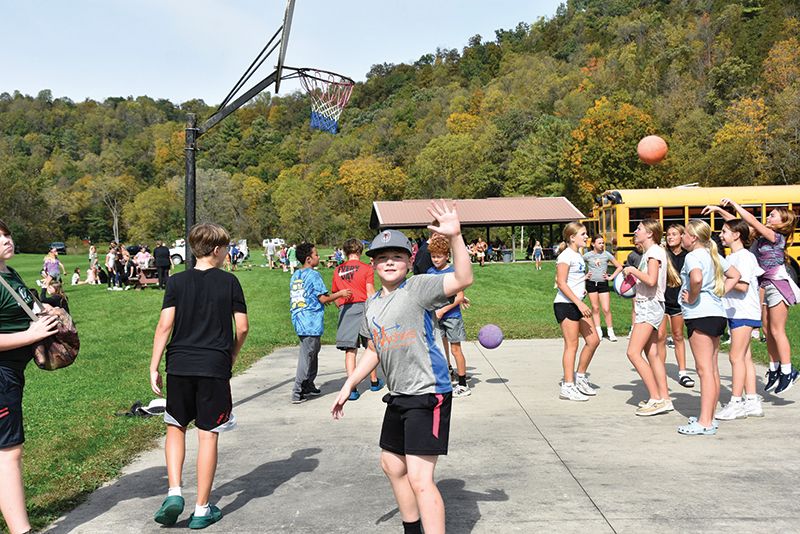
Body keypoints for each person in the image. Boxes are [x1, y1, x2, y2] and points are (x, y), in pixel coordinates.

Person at [331, 201, 473, 534]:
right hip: (400, 395)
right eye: (382, 258)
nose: (389, 262)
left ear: (409, 262)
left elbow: (464, 277)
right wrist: (350, 383)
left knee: (420, 477)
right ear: (374, 265)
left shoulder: (418, 288)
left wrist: (455, 237)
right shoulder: (373, 304)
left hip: (428, 393)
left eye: (396, 257)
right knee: (392, 464)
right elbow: (373, 348)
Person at [149, 222, 249, 529]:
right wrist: (231, 355)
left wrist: (154, 365)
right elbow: (242, 327)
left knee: (175, 427)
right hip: (213, 366)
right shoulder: (229, 282)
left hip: (179, 363)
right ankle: (202, 508)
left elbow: (165, 325)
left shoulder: (176, 283)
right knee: (208, 434)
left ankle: (174, 491)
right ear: (218, 250)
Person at [0, 219, 60, 534]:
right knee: (8, 452)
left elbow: (22, 310)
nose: (6, 241)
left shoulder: (9, 273)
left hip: (12, 374)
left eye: (7, 234)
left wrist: (49, 303)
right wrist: (30, 335)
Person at [706, 200, 799, 394]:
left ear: (783, 222)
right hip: (765, 284)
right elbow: (737, 226)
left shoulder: (776, 236)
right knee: (766, 328)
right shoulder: (761, 235)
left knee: (776, 329)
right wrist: (720, 211)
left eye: (772, 215)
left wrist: (734, 203)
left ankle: (789, 371)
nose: (768, 217)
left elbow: (749, 221)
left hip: (777, 283)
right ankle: (774, 369)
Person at [676, 219, 739, 436]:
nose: (682, 237)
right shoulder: (713, 255)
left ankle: (704, 422)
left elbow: (696, 278)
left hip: (700, 314)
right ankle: (708, 417)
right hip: (717, 314)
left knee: (703, 370)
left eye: (684, 234)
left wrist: (693, 297)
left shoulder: (693, 256)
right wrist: (719, 292)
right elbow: (735, 275)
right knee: (712, 369)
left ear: (693, 237)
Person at [622, 220, 673, 416]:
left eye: (639, 229)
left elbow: (651, 281)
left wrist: (633, 271)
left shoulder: (653, 253)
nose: (635, 231)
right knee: (652, 354)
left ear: (650, 233)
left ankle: (655, 398)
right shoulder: (652, 253)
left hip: (649, 306)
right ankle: (665, 398)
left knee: (633, 353)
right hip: (651, 305)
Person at [715, 219, 765, 420]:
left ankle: (736, 402)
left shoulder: (744, 257)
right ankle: (752, 401)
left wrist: (720, 282)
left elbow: (742, 285)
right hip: (739, 312)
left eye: (725, 231)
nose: (721, 235)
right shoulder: (734, 256)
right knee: (745, 358)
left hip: (743, 312)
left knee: (735, 357)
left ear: (737, 235)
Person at [290, 243, 351, 404]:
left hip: (299, 319)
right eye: (316, 255)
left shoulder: (296, 275)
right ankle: (298, 391)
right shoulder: (313, 275)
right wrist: (340, 294)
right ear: (309, 259)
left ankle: (309, 384)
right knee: (307, 355)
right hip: (310, 321)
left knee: (313, 352)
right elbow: (323, 298)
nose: (319, 257)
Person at [553, 222, 600, 401]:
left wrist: (582, 290)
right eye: (583, 234)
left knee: (593, 340)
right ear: (572, 237)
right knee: (571, 345)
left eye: (586, 234)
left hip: (577, 302)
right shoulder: (566, 256)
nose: (587, 237)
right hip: (566, 305)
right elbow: (561, 282)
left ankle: (580, 377)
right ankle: (568, 385)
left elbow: (573, 281)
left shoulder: (578, 255)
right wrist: (579, 303)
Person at [332, 238, 382, 401]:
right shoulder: (367, 268)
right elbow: (369, 291)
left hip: (346, 308)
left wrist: (340, 306)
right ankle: (374, 381)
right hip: (364, 306)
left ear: (345, 252)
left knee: (350, 350)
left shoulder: (338, 270)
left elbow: (335, 292)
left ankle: (352, 388)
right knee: (371, 346)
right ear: (360, 251)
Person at [427, 236, 471, 397]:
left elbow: (459, 297)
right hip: (436, 318)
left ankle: (463, 383)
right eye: (433, 256)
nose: (436, 259)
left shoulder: (453, 272)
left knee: (455, 349)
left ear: (447, 255)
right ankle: (446, 374)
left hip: (452, 317)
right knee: (439, 349)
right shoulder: (430, 272)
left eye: (439, 256)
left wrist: (443, 310)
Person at [658, 224, 694, 388]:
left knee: (678, 335)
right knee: (660, 337)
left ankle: (683, 372)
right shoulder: (662, 255)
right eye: (668, 234)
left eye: (674, 234)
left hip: (678, 302)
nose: (670, 237)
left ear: (682, 236)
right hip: (662, 300)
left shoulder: (689, 256)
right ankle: (659, 372)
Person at [583, 236, 623, 341]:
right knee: (595, 308)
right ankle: (598, 332)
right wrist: (584, 276)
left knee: (606, 309)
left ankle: (611, 332)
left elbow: (619, 267)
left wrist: (611, 277)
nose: (602, 245)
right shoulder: (587, 256)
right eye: (599, 243)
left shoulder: (606, 255)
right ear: (593, 244)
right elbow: (579, 266)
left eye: (603, 243)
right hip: (591, 283)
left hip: (603, 284)